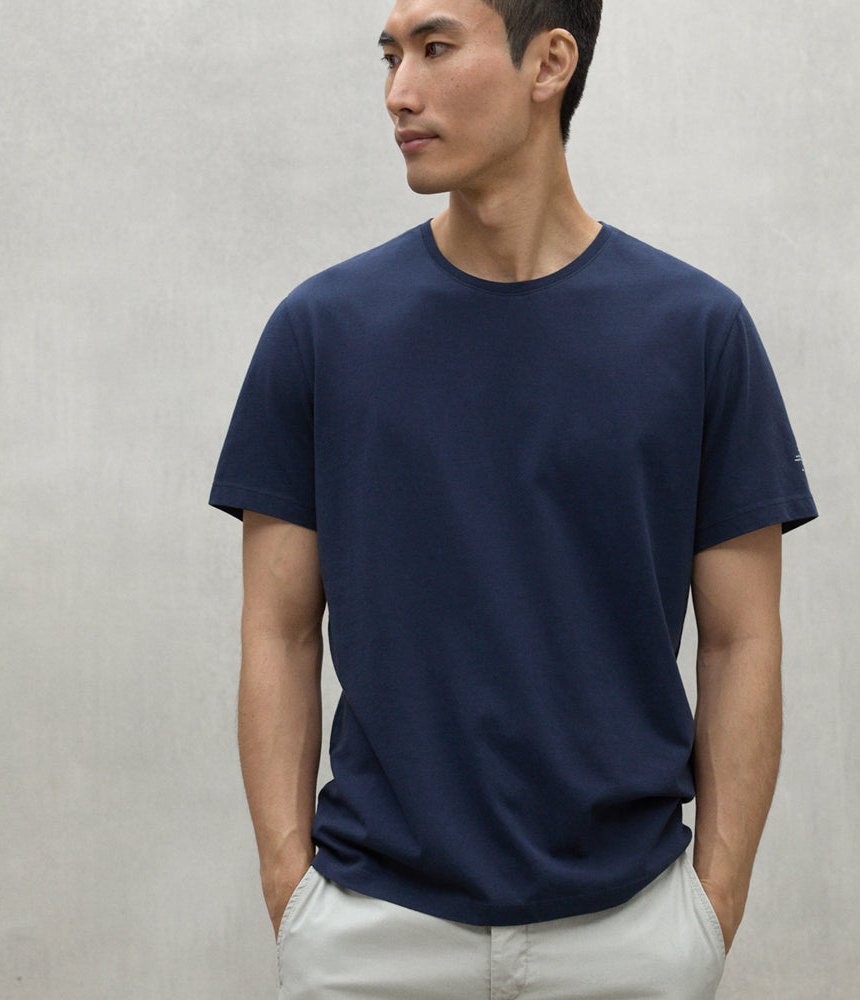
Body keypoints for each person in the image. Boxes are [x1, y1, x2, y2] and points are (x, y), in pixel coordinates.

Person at [210, 1, 817, 997]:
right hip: (370, 932)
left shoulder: (697, 333)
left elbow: (741, 639)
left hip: (630, 932)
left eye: (436, 48)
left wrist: (710, 909)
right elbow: (277, 631)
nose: (399, 91)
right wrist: (294, 893)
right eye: (390, 56)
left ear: (549, 63)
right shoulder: (322, 332)